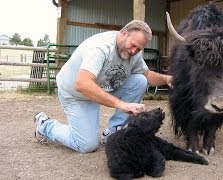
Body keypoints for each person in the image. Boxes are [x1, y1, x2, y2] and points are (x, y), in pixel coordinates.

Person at [34, 20, 172, 153]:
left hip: (103, 87)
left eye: (139, 49)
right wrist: (122, 104)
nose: (134, 51)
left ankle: (113, 132)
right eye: (133, 45)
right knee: (87, 145)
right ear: (124, 33)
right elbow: (82, 84)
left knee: (140, 80)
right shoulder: (101, 48)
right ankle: (45, 125)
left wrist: (167, 79)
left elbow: (148, 75)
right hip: (77, 94)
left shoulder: (133, 53)